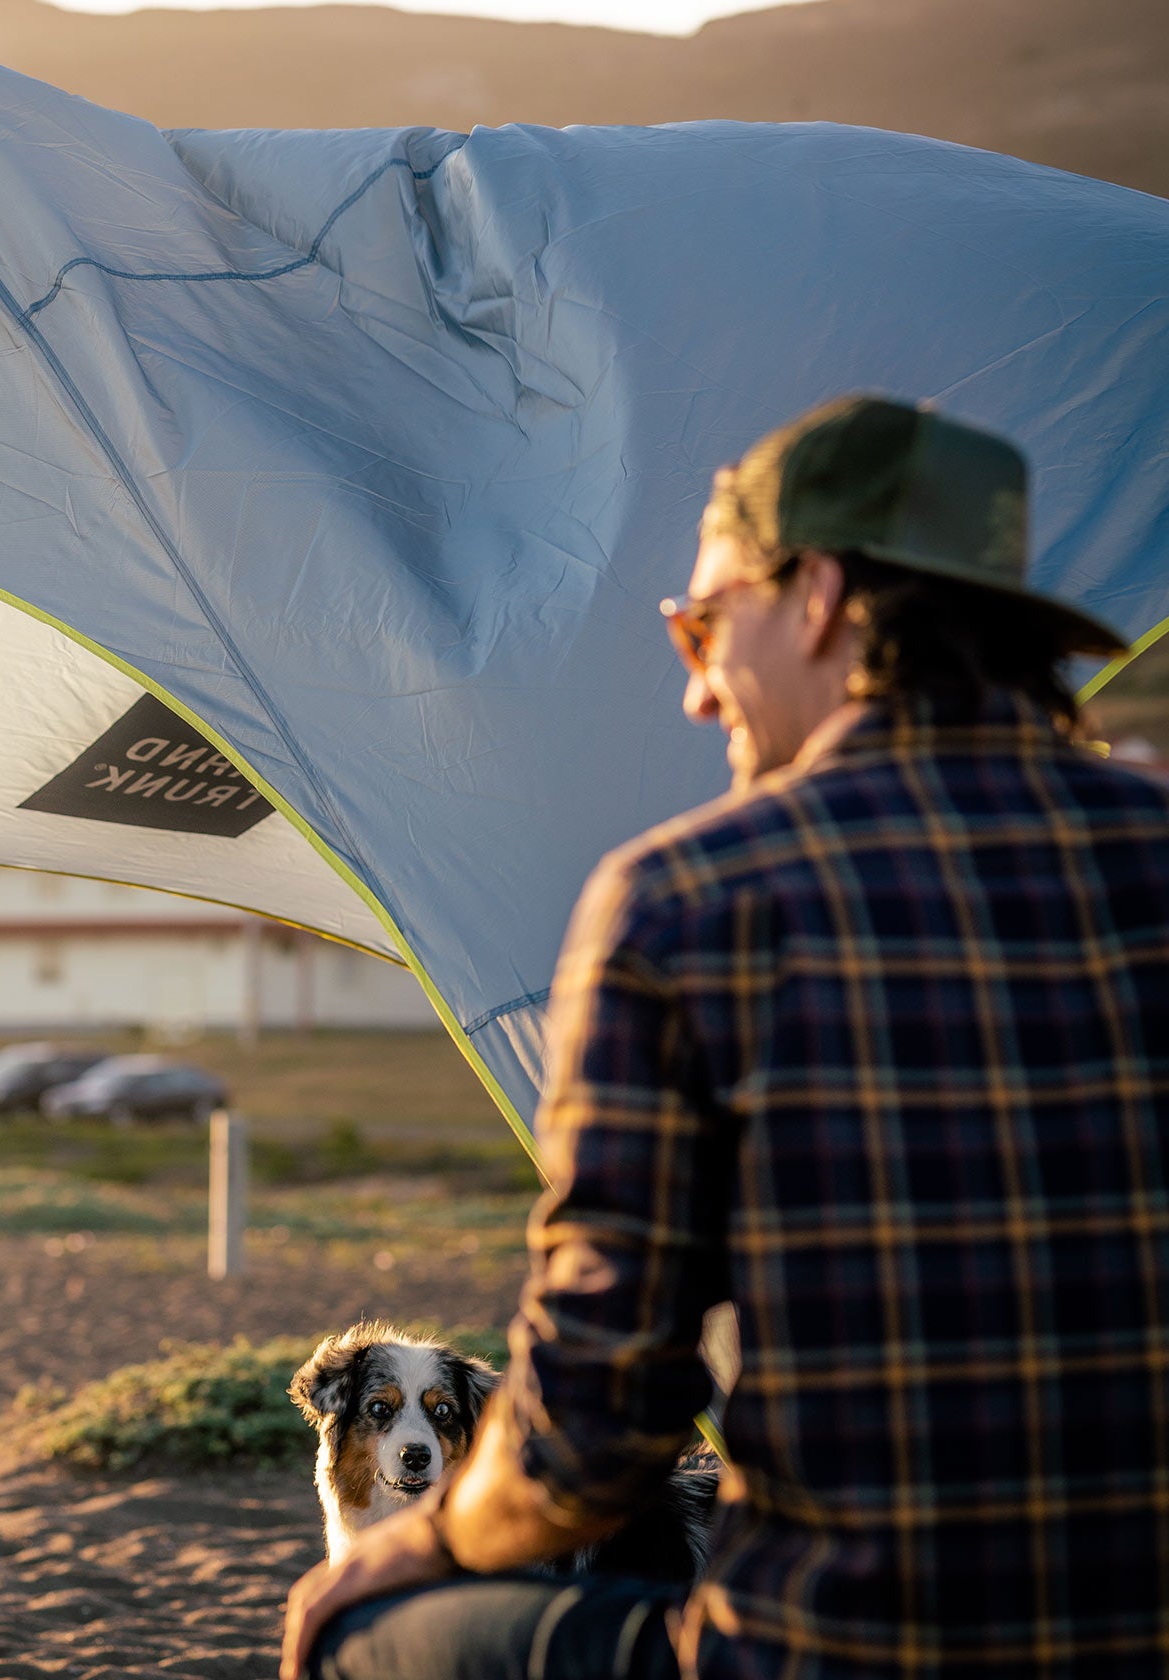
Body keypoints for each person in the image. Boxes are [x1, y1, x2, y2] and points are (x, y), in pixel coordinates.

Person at [282, 394, 1169, 1679]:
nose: (696, 692)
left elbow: (592, 1420)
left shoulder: (692, 900)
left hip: (832, 1647)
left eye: (700, 625)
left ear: (813, 595)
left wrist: (405, 1550)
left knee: (358, 1627)